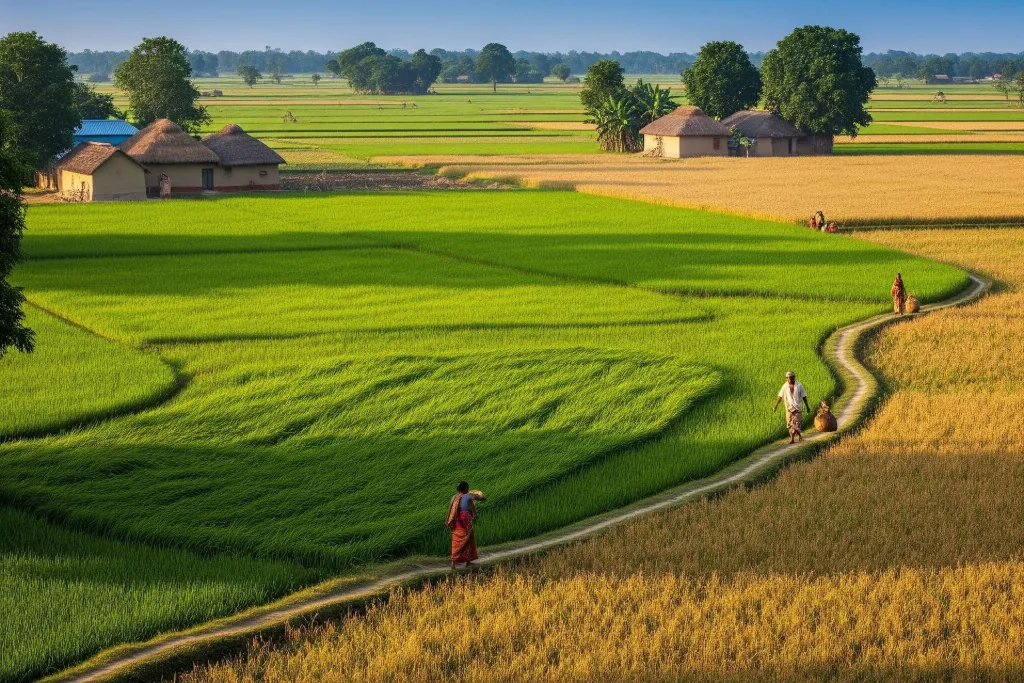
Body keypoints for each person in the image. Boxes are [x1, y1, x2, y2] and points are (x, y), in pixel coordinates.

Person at [446, 482, 485, 569]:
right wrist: (479, 492)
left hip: (456, 521)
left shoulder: (454, 497)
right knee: (469, 540)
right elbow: (483, 498)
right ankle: (467, 562)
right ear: (465, 489)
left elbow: (449, 509)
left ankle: (453, 564)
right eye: (467, 488)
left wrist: (447, 520)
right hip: (465, 521)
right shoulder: (469, 496)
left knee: (456, 541)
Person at [773, 371, 810, 443]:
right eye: (788, 378)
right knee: (790, 423)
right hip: (789, 408)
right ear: (786, 378)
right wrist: (775, 406)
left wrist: (807, 407)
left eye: (792, 378)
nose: (790, 380)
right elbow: (780, 396)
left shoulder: (799, 386)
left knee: (797, 423)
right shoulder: (785, 386)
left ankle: (798, 436)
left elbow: (804, 396)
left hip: (797, 407)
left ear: (794, 378)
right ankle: (793, 438)